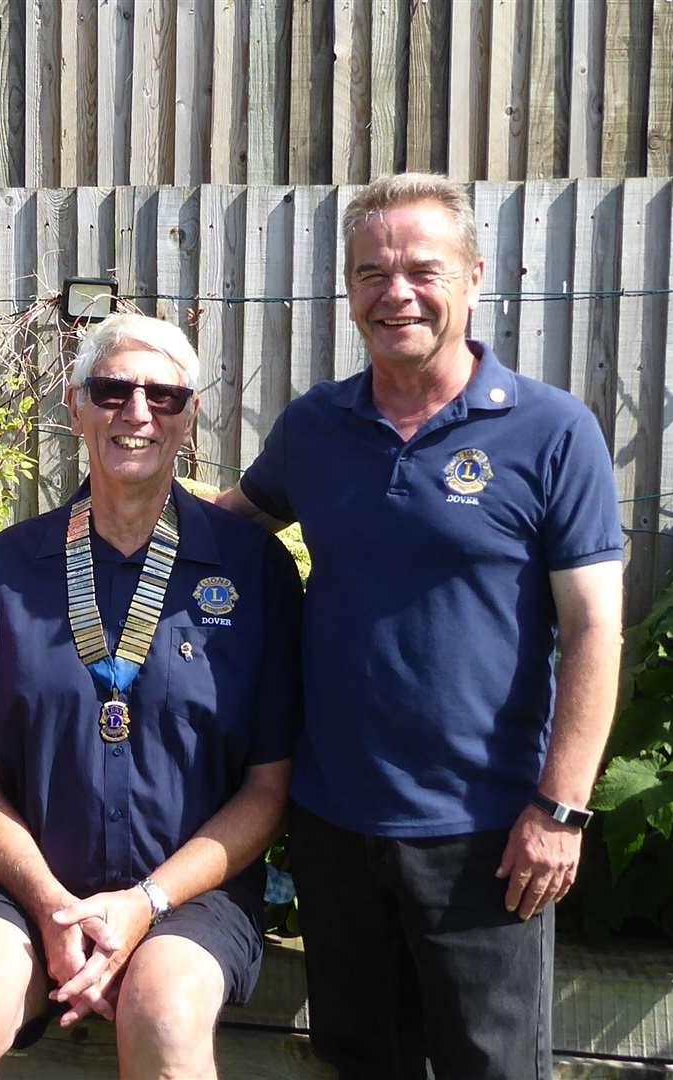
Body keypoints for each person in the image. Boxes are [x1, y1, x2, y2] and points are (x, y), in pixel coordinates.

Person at [215, 173, 624, 1078]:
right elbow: (234, 518)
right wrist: (104, 512)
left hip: (488, 834)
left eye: (421, 270)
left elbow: (595, 630)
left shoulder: (552, 432)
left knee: (493, 1067)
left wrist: (560, 810)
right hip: (334, 822)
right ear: (350, 292)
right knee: (361, 1062)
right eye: (370, 273)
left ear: (474, 278)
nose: (395, 291)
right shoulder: (317, 427)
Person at [0, 313, 303, 1080]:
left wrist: (146, 901)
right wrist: (52, 904)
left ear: (190, 415)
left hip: (190, 896)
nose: (137, 412)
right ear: (76, 405)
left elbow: (267, 788)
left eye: (163, 395)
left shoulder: (254, 573)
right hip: (27, 890)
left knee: (166, 1009)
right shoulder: (7, 571)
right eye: (112, 390)